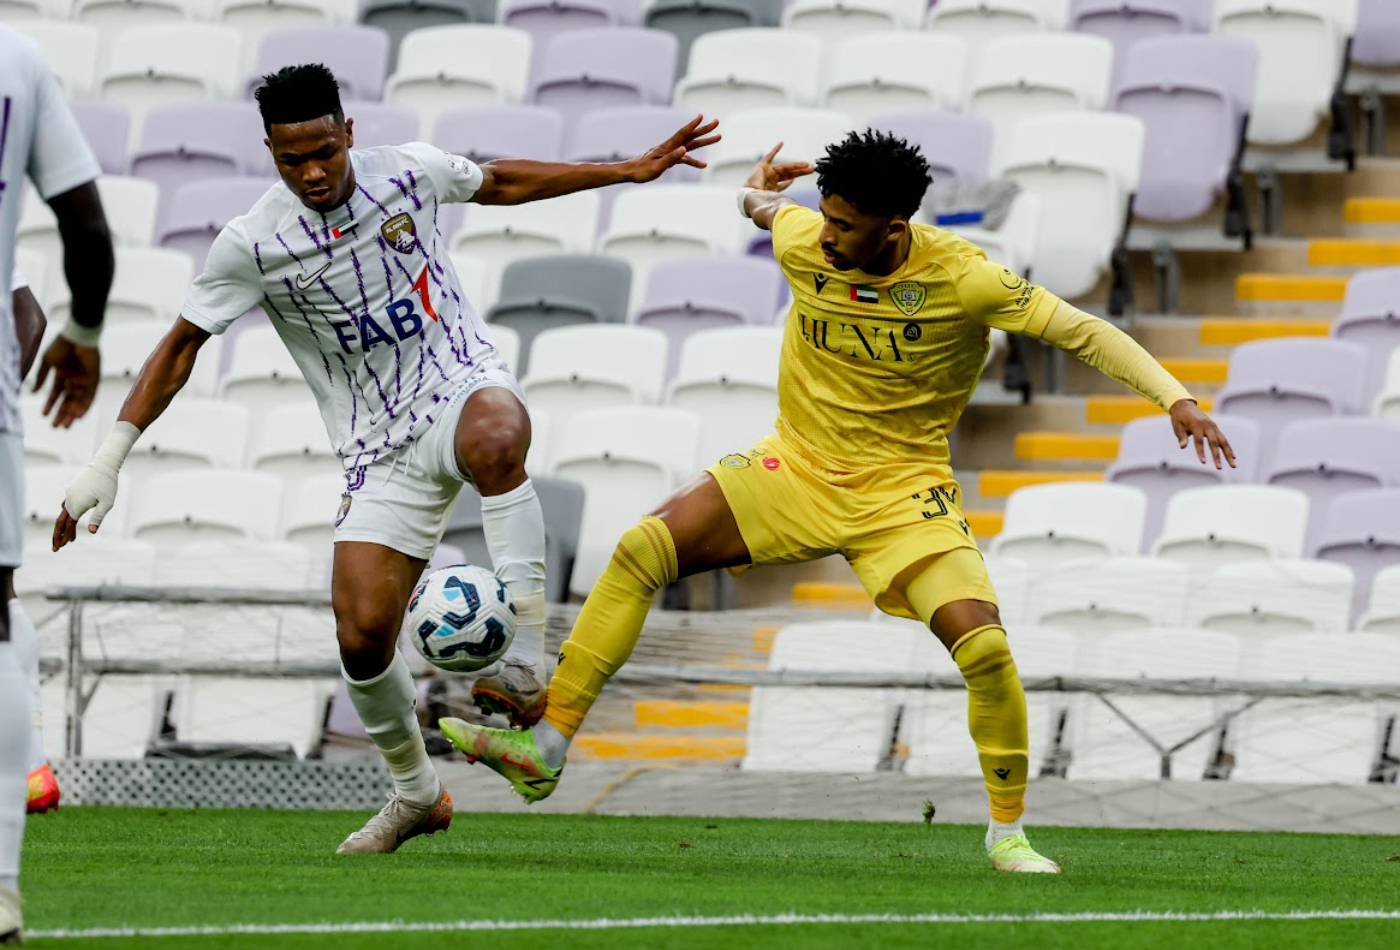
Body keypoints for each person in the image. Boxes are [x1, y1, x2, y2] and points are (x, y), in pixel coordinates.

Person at [439, 130, 1237, 874]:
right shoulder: (803, 236)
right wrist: (753, 190)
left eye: (846, 225)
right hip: (796, 467)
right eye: (825, 215)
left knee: (985, 649)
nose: (825, 236)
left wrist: (1176, 399)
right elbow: (763, 208)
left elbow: (1084, 331)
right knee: (644, 546)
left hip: (901, 493)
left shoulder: (966, 278)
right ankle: (546, 748)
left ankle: (1008, 834)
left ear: (893, 229)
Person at [52, 63, 719, 856]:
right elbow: (182, 345)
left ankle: (529, 662)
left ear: (349, 134)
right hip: (377, 446)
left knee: (499, 438)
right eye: (291, 159)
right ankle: (416, 796)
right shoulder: (253, 244)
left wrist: (627, 169)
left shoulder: (407, 173)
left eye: (324, 152)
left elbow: (500, 181)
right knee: (363, 633)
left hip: (459, 384)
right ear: (270, 151)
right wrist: (108, 460)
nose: (312, 172)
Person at [1, 23, 115, 943]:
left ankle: (33, 767)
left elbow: (26, 303)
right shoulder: (17, 58)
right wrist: (77, 331)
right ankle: (0, 885)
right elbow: (81, 233)